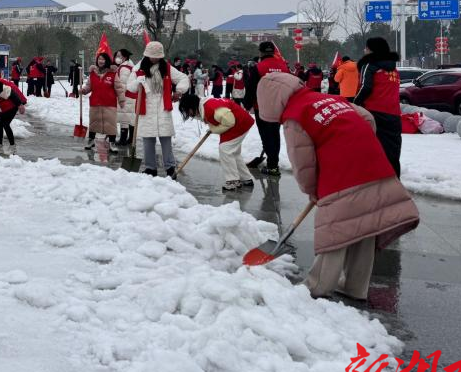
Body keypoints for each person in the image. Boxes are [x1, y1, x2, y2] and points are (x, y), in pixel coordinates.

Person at [257, 72, 419, 300]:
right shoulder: (328, 98)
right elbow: (367, 118)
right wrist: (355, 141)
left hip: (342, 174)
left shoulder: (295, 116)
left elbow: (303, 163)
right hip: (374, 164)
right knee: (365, 226)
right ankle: (355, 286)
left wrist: (312, 190)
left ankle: (317, 287)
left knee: (335, 230)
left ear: (270, 100)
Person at [126, 41, 190, 177]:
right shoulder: (138, 69)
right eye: (152, 56)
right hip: (146, 107)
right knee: (148, 140)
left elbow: (183, 78)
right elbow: (130, 87)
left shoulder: (166, 67)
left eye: (157, 56)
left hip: (162, 107)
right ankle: (150, 168)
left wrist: (179, 91)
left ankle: (170, 167)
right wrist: (138, 81)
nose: (155, 59)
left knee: (166, 139)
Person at [179, 93, 255, 191]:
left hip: (239, 122)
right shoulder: (203, 107)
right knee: (233, 152)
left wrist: (214, 129)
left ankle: (233, 181)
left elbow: (230, 121)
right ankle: (246, 179)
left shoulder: (210, 108)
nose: (188, 114)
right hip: (237, 122)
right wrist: (213, 127)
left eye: (187, 110)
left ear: (192, 105)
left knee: (225, 150)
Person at [353, 37, 402, 177]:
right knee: (392, 150)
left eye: (366, 48)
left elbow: (365, 87)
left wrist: (354, 104)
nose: (364, 50)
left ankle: (375, 181)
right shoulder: (394, 69)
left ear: (372, 50)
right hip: (394, 115)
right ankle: (394, 180)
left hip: (374, 113)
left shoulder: (369, 65)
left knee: (372, 148)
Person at [250, 42, 290, 176]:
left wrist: (247, 104)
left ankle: (272, 166)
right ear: (273, 52)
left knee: (266, 136)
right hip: (279, 106)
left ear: (260, 52)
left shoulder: (258, 67)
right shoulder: (284, 67)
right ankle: (273, 164)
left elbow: (251, 88)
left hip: (261, 107)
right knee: (274, 134)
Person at [81, 52, 125, 152]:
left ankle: (112, 143)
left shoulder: (112, 74)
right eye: (99, 59)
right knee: (93, 123)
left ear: (107, 61)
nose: (101, 61)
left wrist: (121, 100)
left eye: (103, 59)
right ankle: (91, 141)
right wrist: (84, 90)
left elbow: (119, 88)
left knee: (111, 124)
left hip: (109, 103)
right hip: (95, 102)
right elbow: (89, 86)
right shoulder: (93, 74)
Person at [0, 78, 28, 150]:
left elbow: (15, 98)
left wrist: (20, 105)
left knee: (5, 124)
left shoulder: (7, 90)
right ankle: (0, 144)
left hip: (13, 106)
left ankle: (12, 146)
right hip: (5, 106)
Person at [114, 49, 136, 146]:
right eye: (117, 56)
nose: (117, 58)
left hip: (126, 96)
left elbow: (123, 84)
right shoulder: (130, 66)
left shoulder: (124, 68)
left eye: (119, 56)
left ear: (125, 57)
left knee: (124, 117)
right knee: (130, 117)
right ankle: (130, 139)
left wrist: (120, 96)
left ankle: (123, 139)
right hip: (131, 95)